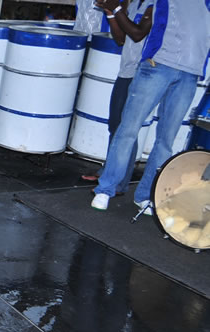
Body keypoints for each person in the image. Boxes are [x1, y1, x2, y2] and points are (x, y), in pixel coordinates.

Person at [91, 0, 210, 213]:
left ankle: (146, 196)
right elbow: (136, 33)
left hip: (189, 74)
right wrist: (115, 11)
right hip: (157, 66)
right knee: (128, 129)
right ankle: (105, 189)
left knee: (166, 140)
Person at [82, 0, 153, 191]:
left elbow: (138, 34)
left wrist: (117, 9)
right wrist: (111, 14)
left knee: (126, 129)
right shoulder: (137, 4)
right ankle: (112, 172)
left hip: (142, 72)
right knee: (116, 125)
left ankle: (118, 181)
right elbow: (121, 38)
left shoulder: (156, 4)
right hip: (126, 71)